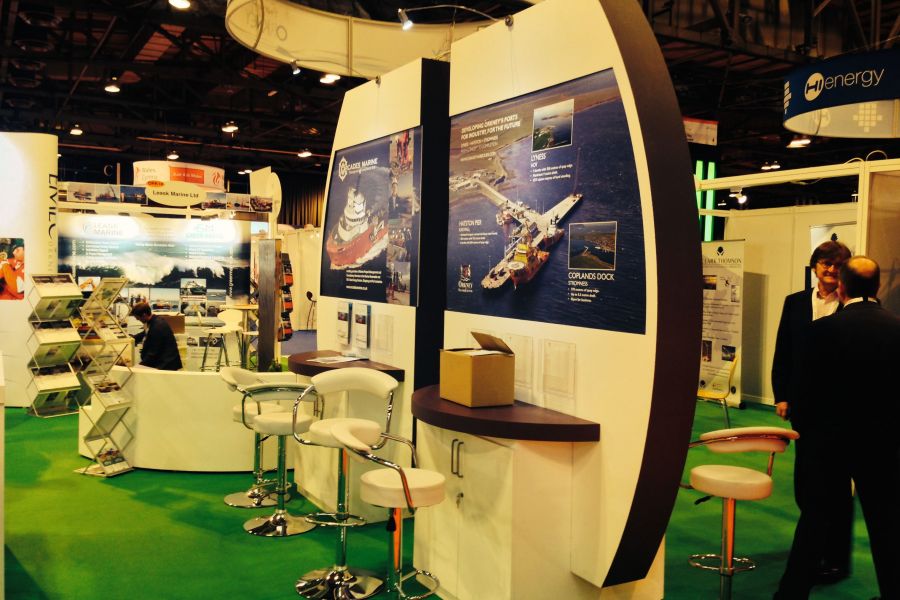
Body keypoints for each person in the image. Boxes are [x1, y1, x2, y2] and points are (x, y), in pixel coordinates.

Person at [774, 256, 900, 599]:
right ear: (877, 287)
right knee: (887, 525)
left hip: (828, 445)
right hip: (883, 445)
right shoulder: (896, 328)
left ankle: (791, 594)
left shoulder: (821, 331)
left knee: (815, 521)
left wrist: (811, 437)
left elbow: (803, 392)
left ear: (842, 288)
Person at [771, 239, 852, 583]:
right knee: (805, 481)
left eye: (837, 265)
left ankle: (835, 559)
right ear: (815, 266)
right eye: (825, 263)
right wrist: (781, 395)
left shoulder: (850, 306)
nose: (830, 269)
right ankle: (813, 544)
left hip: (838, 410)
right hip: (802, 407)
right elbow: (783, 350)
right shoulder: (795, 302)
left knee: (835, 486)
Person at [131, 302, 182, 370]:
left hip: (166, 366)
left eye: (138, 318)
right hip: (162, 362)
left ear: (144, 315)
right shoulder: (153, 321)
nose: (138, 320)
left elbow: (153, 353)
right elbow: (144, 333)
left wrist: (139, 367)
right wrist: (131, 339)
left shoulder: (157, 327)